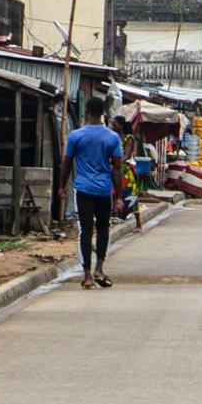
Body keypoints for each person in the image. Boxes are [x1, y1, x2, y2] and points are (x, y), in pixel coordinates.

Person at [63, 100, 127, 286]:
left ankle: (87, 275)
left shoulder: (76, 136)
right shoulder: (112, 138)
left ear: (87, 111)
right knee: (103, 228)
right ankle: (99, 268)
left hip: (83, 189)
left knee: (85, 230)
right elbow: (117, 168)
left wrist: (61, 186)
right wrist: (119, 196)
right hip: (103, 190)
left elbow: (67, 163)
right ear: (103, 113)